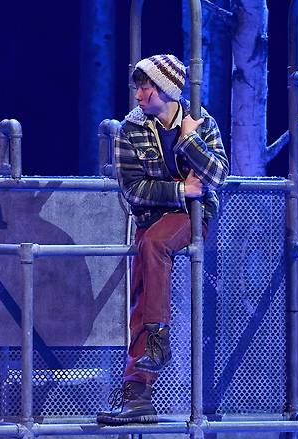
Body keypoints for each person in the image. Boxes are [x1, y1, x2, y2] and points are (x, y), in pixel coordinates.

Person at [97, 54, 228, 425]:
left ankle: (158, 340)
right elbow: (133, 190)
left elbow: (217, 176)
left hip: (192, 218)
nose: (139, 95)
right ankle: (137, 395)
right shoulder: (131, 127)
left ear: (167, 90)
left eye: (146, 88)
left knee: (154, 244)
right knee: (141, 295)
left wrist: (188, 140)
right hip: (152, 220)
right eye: (138, 87)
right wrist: (182, 189)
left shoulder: (201, 121)